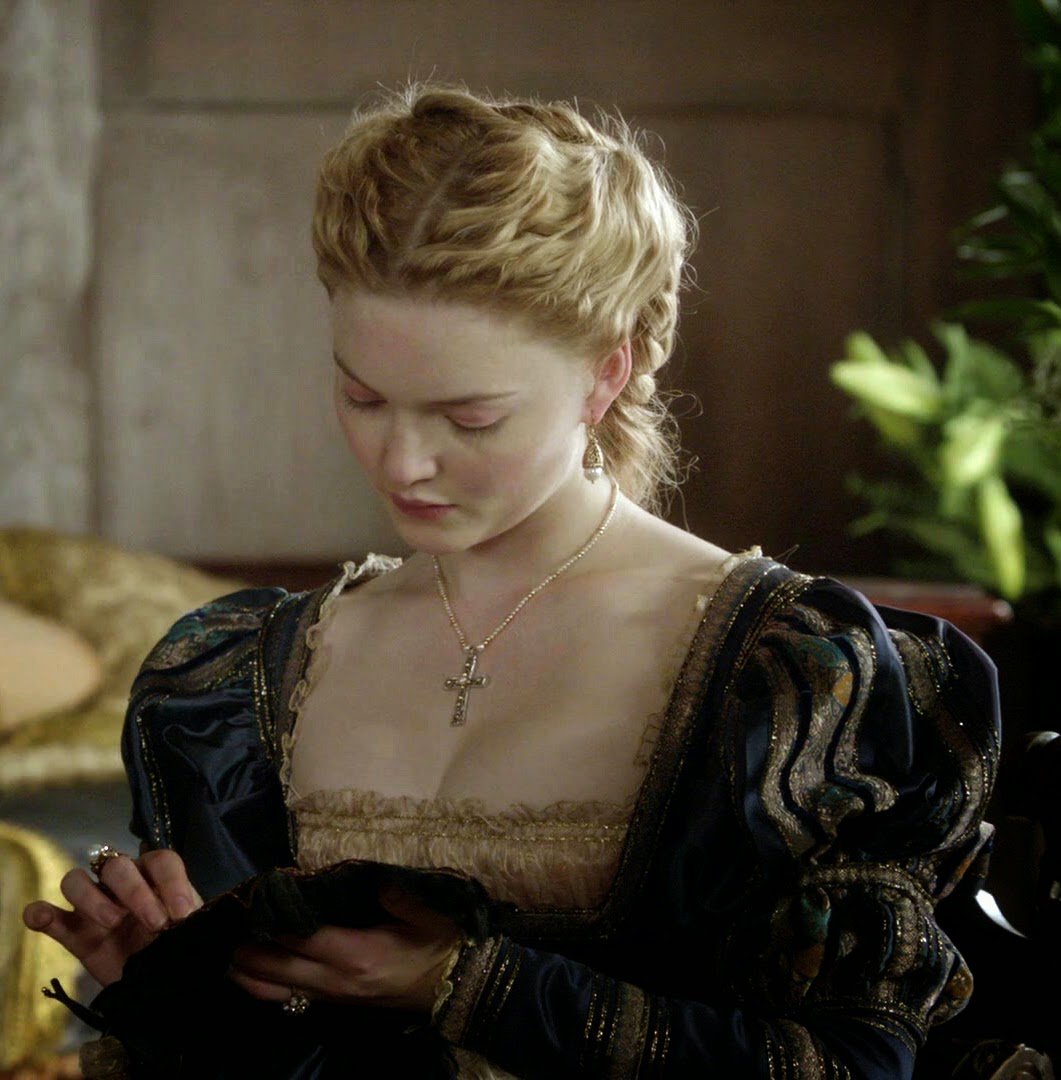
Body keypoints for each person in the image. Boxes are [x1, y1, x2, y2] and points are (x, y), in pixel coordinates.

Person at [23, 84, 1000, 1079]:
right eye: (362, 397)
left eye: (469, 418)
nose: (400, 462)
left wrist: (470, 984)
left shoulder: (793, 676)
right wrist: (178, 995)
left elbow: (850, 1067)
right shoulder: (244, 677)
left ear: (606, 373)